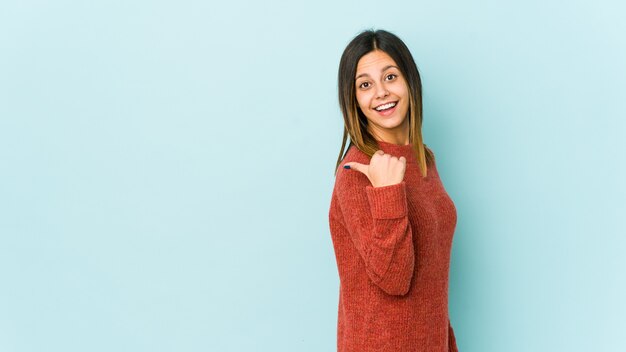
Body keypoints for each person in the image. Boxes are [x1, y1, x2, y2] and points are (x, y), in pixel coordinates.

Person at [328, 28, 460, 351]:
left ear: (409, 82)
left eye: (390, 76)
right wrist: (388, 192)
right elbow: (394, 279)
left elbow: (431, 283)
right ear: (354, 100)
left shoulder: (423, 158)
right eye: (365, 84)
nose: (381, 93)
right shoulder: (356, 172)